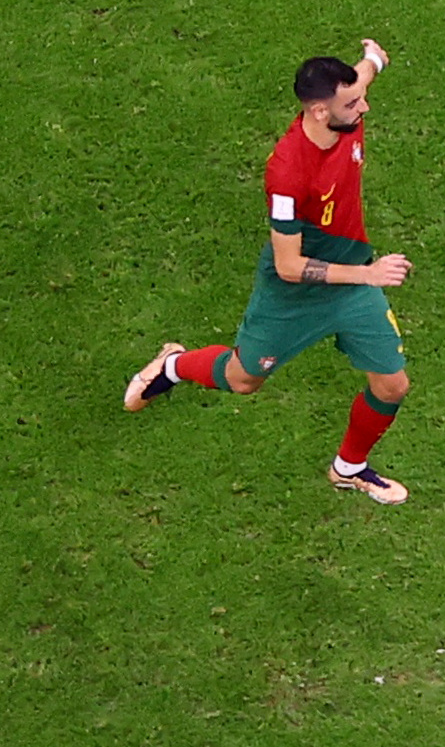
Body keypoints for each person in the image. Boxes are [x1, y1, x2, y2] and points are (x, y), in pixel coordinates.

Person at [121, 43, 417, 504]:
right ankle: (173, 365)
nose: (364, 108)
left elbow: (361, 77)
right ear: (319, 111)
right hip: (295, 293)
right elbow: (289, 265)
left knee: (392, 384)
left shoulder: (346, 110)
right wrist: (368, 276)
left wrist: (373, 59)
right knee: (243, 380)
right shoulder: (288, 172)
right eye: (352, 103)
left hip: (356, 277)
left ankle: (349, 468)